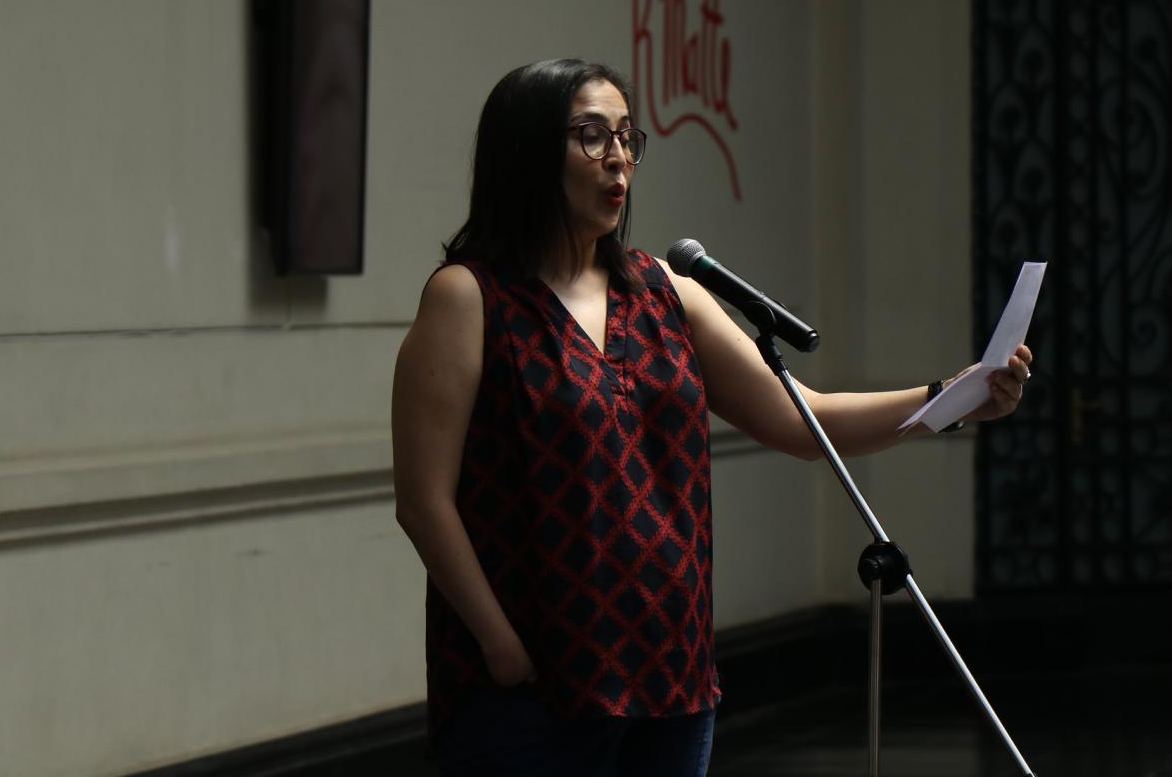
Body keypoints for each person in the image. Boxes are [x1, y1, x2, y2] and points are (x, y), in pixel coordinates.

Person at [392, 58, 1033, 777]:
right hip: (534, 684)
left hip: (670, 665)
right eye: (591, 136)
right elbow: (424, 501)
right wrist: (500, 644)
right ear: (527, 151)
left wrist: (953, 395)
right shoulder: (469, 298)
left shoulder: (664, 292)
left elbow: (806, 421)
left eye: (627, 137)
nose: (618, 158)